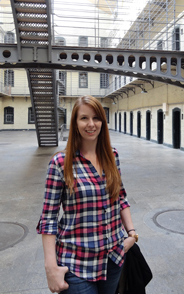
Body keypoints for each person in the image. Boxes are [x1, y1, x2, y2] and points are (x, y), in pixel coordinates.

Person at [36, 95, 137, 294]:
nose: (91, 124)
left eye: (96, 118)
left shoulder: (112, 155)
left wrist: (132, 234)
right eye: (84, 118)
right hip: (77, 263)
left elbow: (120, 197)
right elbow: (49, 217)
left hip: (113, 258)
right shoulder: (60, 163)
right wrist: (51, 268)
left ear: (103, 122)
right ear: (74, 123)